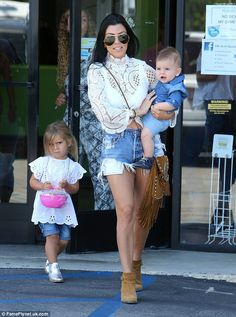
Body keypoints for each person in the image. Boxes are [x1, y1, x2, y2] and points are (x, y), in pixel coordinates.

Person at [87, 13, 173, 304]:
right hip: (117, 144)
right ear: (103, 41)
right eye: (110, 38)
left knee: (143, 211)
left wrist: (165, 112)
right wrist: (136, 112)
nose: (116, 43)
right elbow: (103, 113)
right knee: (124, 209)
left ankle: (136, 263)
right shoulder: (96, 72)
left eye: (122, 37)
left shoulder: (144, 69)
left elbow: (164, 100)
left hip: (147, 141)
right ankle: (125, 277)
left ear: (129, 38)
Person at [55, 9, 114, 210]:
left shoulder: (96, 48)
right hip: (72, 118)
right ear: (67, 24)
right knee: (63, 172)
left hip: (95, 120)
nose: (80, 23)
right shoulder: (64, 50)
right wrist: (64, 94)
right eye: (75, 19)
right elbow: (67, 84)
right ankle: (60, 223)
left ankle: (103, 224)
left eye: (84, 19)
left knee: (101, 174)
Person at [29, 121, 86, 283]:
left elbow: (75, 188)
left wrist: (67, 185)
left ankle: (50, 258)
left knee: (64, 240)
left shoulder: (72, 166)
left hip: (63, 208)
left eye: (59, 143)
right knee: (52, 236)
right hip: (45, 208)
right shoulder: (43, 162)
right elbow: (32, 181)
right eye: (51, 144)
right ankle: (54, 266)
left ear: (68, 142)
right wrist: (41, 185)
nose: (55, 147)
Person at [133, 47, 188, 169]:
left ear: (177, 71)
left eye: (167, 69)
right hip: (152, 115)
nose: (161, 72)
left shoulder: (175, 87)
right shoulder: (161, 82)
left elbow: (173, 104)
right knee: (147, 134)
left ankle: (148, 159)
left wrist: (157, 106)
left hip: (160, 118)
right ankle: (152, 153)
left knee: (146, 134)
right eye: (158, 69)